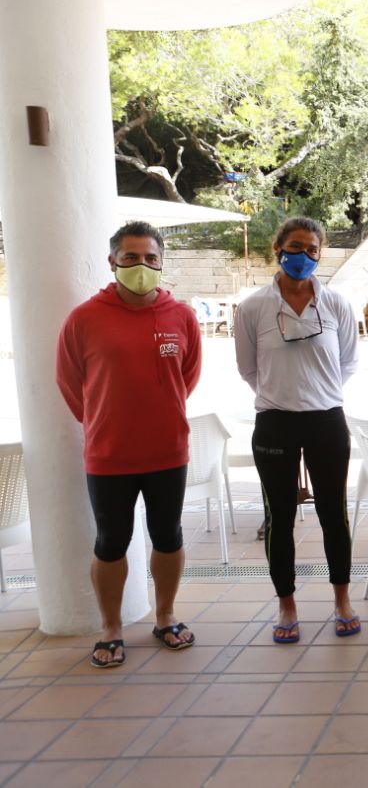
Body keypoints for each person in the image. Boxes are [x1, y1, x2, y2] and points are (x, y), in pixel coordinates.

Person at [55, 221, 202, 668]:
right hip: (109, 455)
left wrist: (161, 413)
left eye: (150, 258)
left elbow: (188, 375)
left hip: (167, 452)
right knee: (111, 542)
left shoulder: (181, 316)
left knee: (168, 535)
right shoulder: (84, 319)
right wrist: (104, 421)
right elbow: (70, 382)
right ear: (113, 262)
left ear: (161, 262)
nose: (142, 266)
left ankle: (166, 616)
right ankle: (111, 628)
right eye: (131, 258)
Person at [234, 217, 361, 645]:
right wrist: (283, 395)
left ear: (319, 254)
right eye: (295, 246)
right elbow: (248, 369)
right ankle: (286, 604)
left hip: (327, 419)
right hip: (275, 422)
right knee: (279, 517)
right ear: (277, 249)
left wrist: (317, 394)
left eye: (311, 249)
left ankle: (342, 599)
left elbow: (348, 363)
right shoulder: (253, 307)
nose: (303, 256)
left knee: (333, 513)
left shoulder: (337, 304)